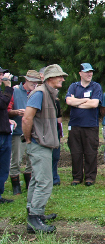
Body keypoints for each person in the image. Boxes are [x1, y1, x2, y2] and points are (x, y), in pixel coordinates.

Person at [22, 64, 68, 233]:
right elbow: (27, 119)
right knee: (45, 182)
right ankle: (35, 219)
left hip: (43, 143)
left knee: (36, 179)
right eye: (59, 76)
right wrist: (28, 138)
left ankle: (33, 211)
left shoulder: (49, 94)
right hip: (39, 144)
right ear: (50, 78)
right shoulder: (39, 94)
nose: (62, 79)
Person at [65, 63, 103, 186]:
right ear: (80, 73)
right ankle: (76, 177)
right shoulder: (73, 86)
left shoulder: (96, 86)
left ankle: (90, 177)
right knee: (75, 152)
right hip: (75, 125)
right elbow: (68, 101)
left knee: (90, 152)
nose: (89, 74)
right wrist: (85, 100)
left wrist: (76, 102)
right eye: (86, 72)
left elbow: (94, 104)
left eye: (91, 71)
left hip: (90, 125)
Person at [8, 70, 40, 194]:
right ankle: (16, 185)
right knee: (16, 159)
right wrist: (16, 112)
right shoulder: (14, 91)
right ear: (26, 80)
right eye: (32, 81)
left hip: (33, 131)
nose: (35, 84)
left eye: (37, 82)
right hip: (18, 131)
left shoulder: (37, 93)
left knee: (31, 159)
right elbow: (7, 110)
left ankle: (29, 184)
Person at [0, 67, 16, 204]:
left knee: (4, 167)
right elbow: (2, 103)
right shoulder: (4, 91)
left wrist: (7, 119)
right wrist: (8, 87)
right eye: (0, 75)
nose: (3, 77)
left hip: (4, 132)